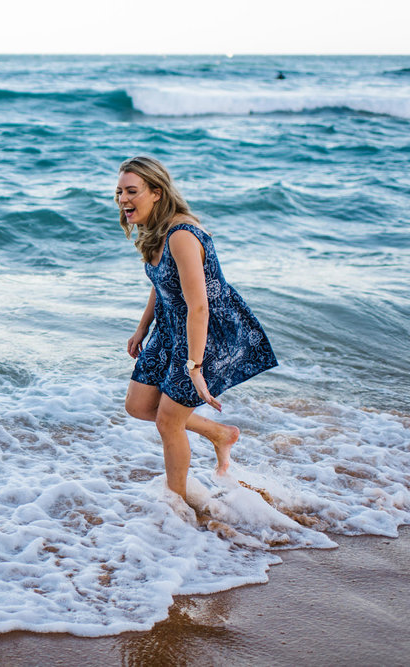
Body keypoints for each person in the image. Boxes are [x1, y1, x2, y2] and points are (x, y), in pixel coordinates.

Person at [116, 156, 277, 502]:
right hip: (170, 327)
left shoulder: (182, 236)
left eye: (131, 191)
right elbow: (163, 282)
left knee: (168, 423)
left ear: (156, 192)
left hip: (206, 333)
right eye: (119, 193)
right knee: (138, 404)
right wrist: (142, 327)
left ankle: (177, 507)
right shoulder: (156, 230)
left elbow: (199, 306)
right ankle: (220, 434)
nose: (123, 200)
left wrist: (195, 366)